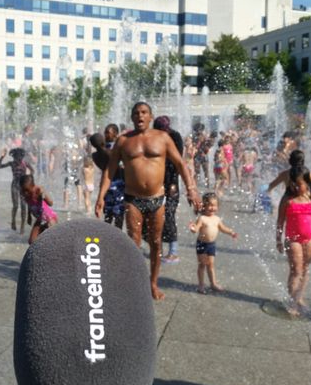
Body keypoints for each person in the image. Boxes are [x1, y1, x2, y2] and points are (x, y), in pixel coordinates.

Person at [95, 102, 201, 301]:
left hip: (157, 199)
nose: (140, 116)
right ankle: (135, 282)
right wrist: (100, 196)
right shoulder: (123, 141)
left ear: (151, 116)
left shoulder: (163, 138)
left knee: (155, 242)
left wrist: (191, 190)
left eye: (144, 112)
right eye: (136, 113)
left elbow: (180, 164)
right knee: (133, 242)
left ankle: (152, 282)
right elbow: (109, 170)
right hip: (133, 199)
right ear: (132, 117)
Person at [276, 165, 311, 317]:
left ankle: (299, 297)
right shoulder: (288, 200)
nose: (296, 187)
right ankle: (292, 302)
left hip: (310, 239)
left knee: (304, 269)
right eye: (293, 184)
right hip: (293, 240)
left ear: (307, 183)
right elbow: (280, 222)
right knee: (296, 270)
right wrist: (278, 240)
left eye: (299, 184)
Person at [188, 193, 238, 294]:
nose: (212, 208)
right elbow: (196, 229)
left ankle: (213, 283)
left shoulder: (217, 219)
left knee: (211, 265)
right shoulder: (202, 218)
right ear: (204, 206)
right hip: (202, 244)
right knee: (202, 264)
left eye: (214, 205)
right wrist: (193, 228)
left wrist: (231, 232)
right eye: (210, 205)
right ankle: (201, 285)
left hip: (211, 245)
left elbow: (222, 228)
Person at [152, 116, 184, 264]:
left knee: (169, 214)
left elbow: (177, 161)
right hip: (155, 181)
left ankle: (173, 252)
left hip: (171, 183)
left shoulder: (175, 136)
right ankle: (157, 249)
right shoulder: (153, 136)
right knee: (154, 215)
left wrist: (172, 182)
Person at [90, 130, 125, 229]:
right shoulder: (111, 153)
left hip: (106, 186)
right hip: (118, 183)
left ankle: (107, 233)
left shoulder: (94, 156)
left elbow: (104, 169)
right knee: (119, 214)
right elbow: (115, 168)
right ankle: (118, 234)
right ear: (103, 141)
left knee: (108, 213)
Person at [0, 147, 33, 234]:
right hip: (14, 185)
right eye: (16, 158)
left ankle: (22, 227)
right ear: (13, 157)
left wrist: (29, 178)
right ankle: (13, 220)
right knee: (16, 205)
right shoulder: (11, 163)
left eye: (20, 158)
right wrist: (2, 157)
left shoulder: (25, 163)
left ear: (22, 157)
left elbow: (32, 171)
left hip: (23, 186)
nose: (18, 160)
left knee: (24, 206)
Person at [20, 174, 57, 244]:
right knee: (31, 242)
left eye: (27, 190)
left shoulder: (37, 192)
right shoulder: (26, 195)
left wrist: (43, 194)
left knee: (53, 240)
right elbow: (29, 205)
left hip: (49, 218)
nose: (25, 193)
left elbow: (51, 203)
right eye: (23, 190)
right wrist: (29, 216)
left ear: (33, 186)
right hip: (40, 220)